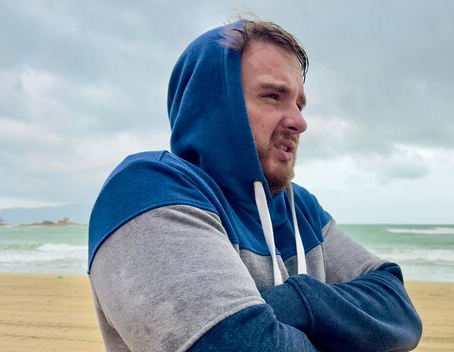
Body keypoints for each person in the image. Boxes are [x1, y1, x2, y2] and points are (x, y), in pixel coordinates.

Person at [88, 18, 422, 352]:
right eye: (273, 96)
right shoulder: (148, 189)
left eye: (299, 104)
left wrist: (297, 301)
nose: (299, 122)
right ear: (214, 105)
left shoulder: (300, 208)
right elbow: (228, 343)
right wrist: (347, 331)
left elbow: (399, 312)